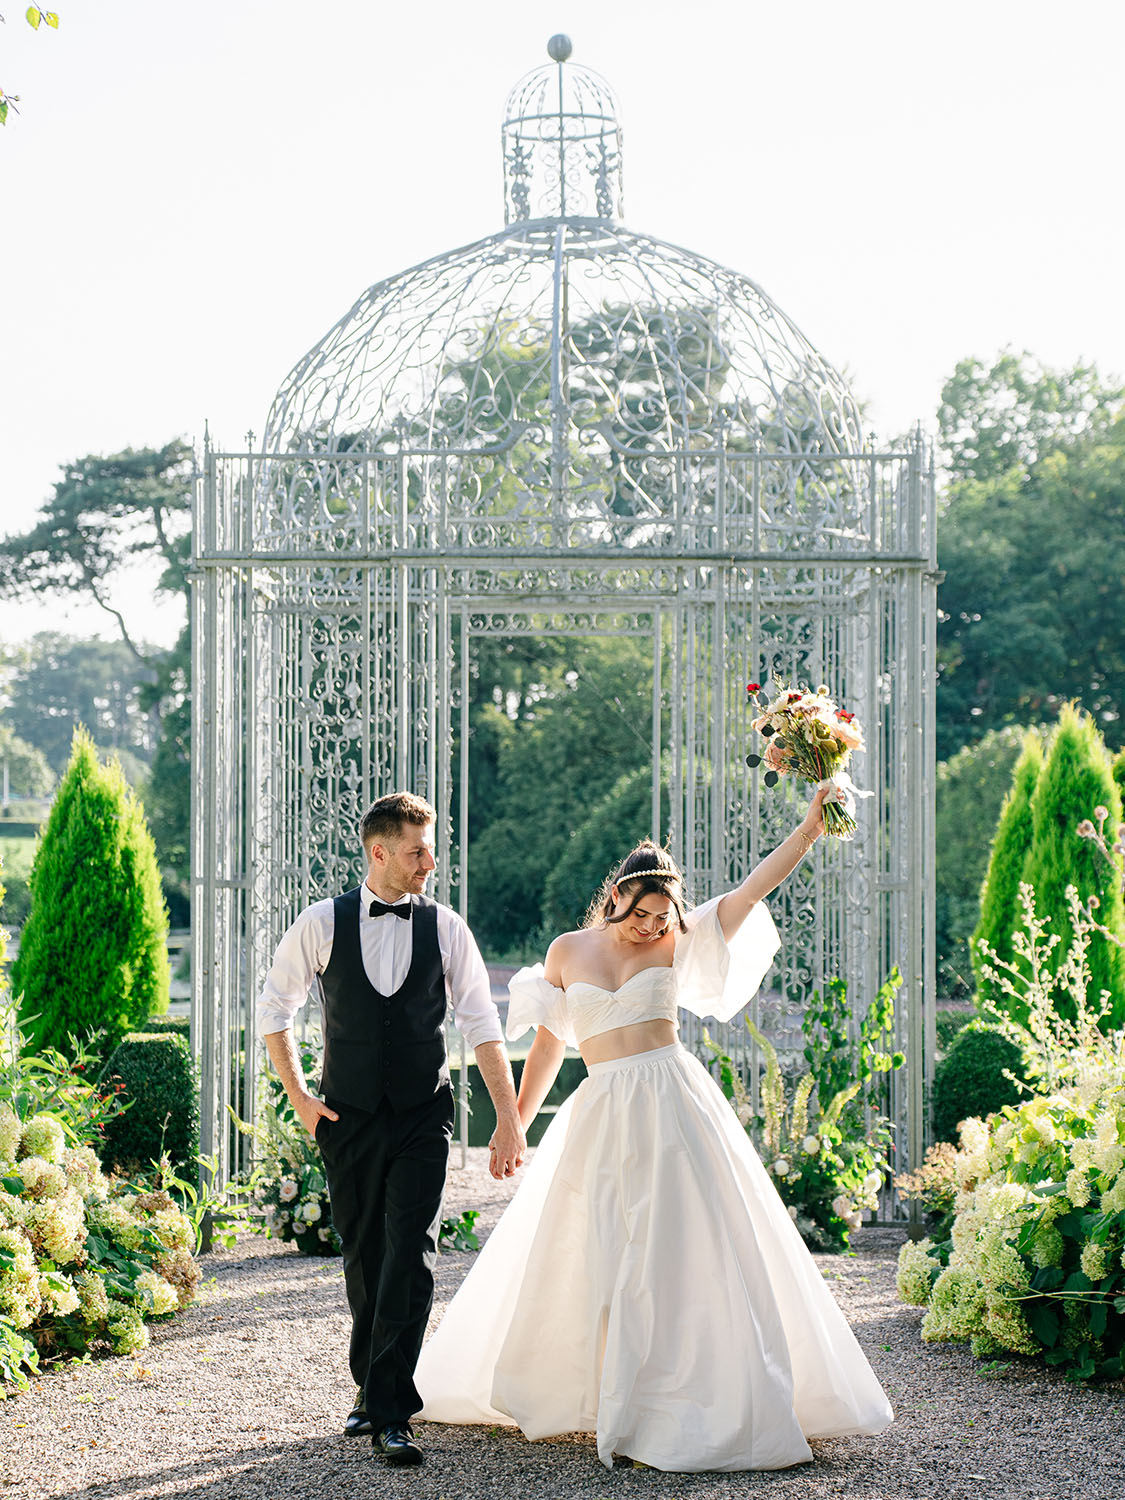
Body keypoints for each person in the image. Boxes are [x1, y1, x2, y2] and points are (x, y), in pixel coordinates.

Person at [415, 787, 893, 1471]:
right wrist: (513, 1126)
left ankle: (691, 1404)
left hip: (671, 1103)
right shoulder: (566, 952)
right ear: (615, 899)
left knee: (682, 1248)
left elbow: (752, 889)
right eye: (641, 914)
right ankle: (604, 1391)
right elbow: (550, 1047)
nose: (651, 928)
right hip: (603, 1109)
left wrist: (810, 828)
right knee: (600, 1247)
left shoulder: (680, 940)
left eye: (663, 918)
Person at [257, 791, 526, 1469]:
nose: (429, 862)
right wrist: (299, 1098)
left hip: (419, 1113)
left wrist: (508, 1118)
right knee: (365, 1255)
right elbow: (274, 1008)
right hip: (344, 1117)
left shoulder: (446, 927)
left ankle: (391, 1413)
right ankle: (370, 1385)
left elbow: (481, 1025)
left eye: (430, 848)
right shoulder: (320, 922)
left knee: (410, 1252)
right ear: (378, 851)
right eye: (417, 851)